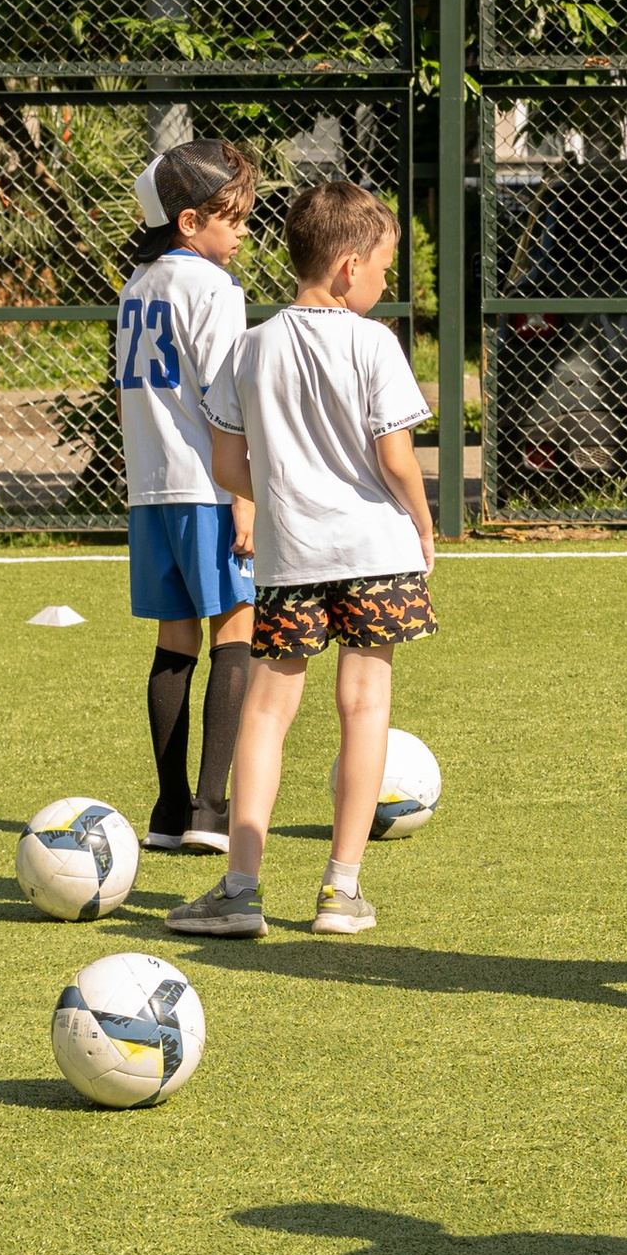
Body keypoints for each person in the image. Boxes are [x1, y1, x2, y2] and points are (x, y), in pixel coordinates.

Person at [166, 178, 437, 943]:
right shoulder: (374, 343)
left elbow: (226, 464)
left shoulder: (251, 347)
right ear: (350, 267)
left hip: (292, 558)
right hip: (378, 551)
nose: (384, 282)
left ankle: (240, 890)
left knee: (266, 711)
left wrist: (284, 495)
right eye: (383, 268)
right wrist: (423, 524)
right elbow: (396, 458)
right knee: (365, 707)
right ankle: (340, 891)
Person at [113, 138, 259, 854]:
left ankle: (168, 812)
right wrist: (247, 495)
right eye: (233, 218)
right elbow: (227, 398)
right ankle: (209, 809)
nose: (243, 232)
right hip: (208, 487)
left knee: (175, 640)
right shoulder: (213, 288)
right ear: (189, 221)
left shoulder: (135, 287)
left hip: (150, 490)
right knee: (237, 628)